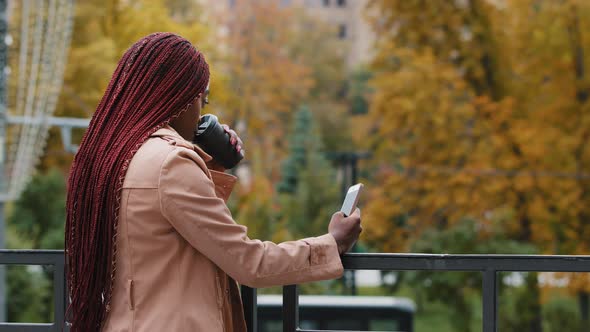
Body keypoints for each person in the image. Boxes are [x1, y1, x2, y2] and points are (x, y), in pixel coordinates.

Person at [65, 32, 362, 332]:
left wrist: (213, 166)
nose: (202, 114)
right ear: (180, 99)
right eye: (202, 100)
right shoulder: (172, 164)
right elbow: (249, 262)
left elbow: (179, 234)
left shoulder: (113, 158)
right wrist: (331, 245)